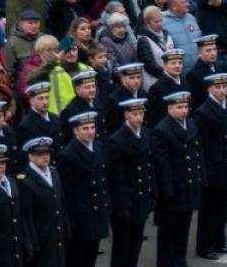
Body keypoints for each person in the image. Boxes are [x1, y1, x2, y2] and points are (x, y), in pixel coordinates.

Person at [150, 91, 203, 267]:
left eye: (185, 107)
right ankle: (166, 262)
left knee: (184, 227)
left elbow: (196, 154)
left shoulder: (190, 124)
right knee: (168, 231)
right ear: (169, 108)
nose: (183, 111)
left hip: (188, 185)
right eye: (179, 107)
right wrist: (167, 192)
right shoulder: (161, 130)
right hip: (173, 189)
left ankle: (180, 259)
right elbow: (162, 165)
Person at [103, 97, 153, 267]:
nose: (139, 117)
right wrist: (123, 205)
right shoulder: (116, 141)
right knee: (122, 246)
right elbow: (116, 177)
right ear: (126, 115)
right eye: (134, 114)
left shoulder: (146, 134)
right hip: (125, 202)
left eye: (141, 113)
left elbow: (148, 169)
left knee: (136, 243)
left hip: (141, 198)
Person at [58, 112, 110, 267]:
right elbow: (66, 193)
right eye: (85, 128)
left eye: (93, 127)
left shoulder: (98, 147)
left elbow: (103, 181)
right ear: (75, 131)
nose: (90, 132)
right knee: (77, 259)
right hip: (80, 218)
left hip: (96, 213)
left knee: (91, 256)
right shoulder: (68, 155)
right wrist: (70, 223)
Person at [193, 72, 227, 260]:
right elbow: (201, 146)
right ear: (209, 89)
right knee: (209, 209)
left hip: (226, 165)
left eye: (224, 86)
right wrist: (204, 171)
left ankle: (219, 241)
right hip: (212, 168)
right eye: (217, 87)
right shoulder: (203, 112)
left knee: (223, 207)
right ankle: (205, 245)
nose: (222, 90)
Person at [16, 136, 65, 267]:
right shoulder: (25, 181)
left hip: (56, 236)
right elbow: (27, 217)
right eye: (40, 154)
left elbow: (60, 205)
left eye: (47, 153)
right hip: (40, 239)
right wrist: (32, 244)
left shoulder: (54, 173)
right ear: (30, 157)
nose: (45, 157)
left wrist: (65, 231)